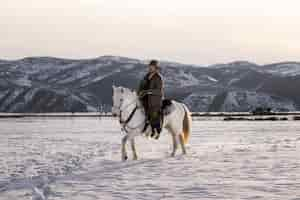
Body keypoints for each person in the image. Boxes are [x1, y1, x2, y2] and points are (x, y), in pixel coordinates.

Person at [137, 60, 164, 139]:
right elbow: (141, 85)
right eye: (149, 67)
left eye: (152, 67)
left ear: (156, 68)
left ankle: (156, 131)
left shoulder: (158, 78)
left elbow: (159, 90)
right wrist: (138, 92)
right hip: (145, 97)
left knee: (153, 113)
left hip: (155, 99)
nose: (150, 68)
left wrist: (148, 91)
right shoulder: (146, 76)